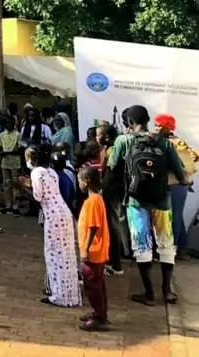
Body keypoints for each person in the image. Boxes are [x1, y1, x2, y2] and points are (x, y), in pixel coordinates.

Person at [108, 105, 187, 305]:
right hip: (162, 202)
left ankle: (149, 294)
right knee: (166, 243)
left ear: (130, 123)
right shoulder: (165, 143)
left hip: (136, 202)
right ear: (147, 120)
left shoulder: (123, 141)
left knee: (141, 246)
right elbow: (182, 176)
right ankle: (167, 291)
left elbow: (112, 169)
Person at [24, 144, 80, 308]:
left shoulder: (36, 172)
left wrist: (22, 188)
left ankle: (57, 295)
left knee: (54, 256)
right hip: (64, 213)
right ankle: (70, 294)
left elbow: (38, 196)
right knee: (67, 255)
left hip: (53, 217)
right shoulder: (51, 172)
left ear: (32, 159)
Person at [154, 114, 197, 261]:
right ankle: (182, 250)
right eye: (156, 124)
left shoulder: (174, 143)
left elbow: (193, 158)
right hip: (179, 185)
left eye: (160, 125)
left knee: (174, 218)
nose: (156, 127)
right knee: (177, 217)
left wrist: (185, 176)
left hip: (175, 184)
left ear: (168, 127)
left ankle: (172, 251)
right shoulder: (177, 141)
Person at [77, 166, 111, 331]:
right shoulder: (97, 199)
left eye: (80, 180)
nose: (79, 184)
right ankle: (100, 313)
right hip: (98, 250)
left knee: (92, 286)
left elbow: (93, 226)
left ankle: (99, 317)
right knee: (98, 284)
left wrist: (85, 250)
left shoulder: (92, 201)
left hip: (93, 252)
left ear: (87, 181)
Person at [97, 122, 128, 276]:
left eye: (99, 135)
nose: (97, 138)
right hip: (114, 192)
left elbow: (110, 174)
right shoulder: (112, 149)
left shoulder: (113, 152)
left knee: (112, 226)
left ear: (107, 137)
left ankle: (115, 265)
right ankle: (112, 261)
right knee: (111, 225)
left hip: (112, 193)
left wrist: (102, 188)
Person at [0, 113, 22, 215]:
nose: (8, 125)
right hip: (5, 162)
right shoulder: (2, 134)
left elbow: (20, 149)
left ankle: (15, 206)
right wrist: (0, 152)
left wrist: (8, 152)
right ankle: (8, 206)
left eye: (10, 123)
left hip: (15, 162)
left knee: (16, 184)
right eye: (6, 123)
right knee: (6, 184)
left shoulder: (18, 135)